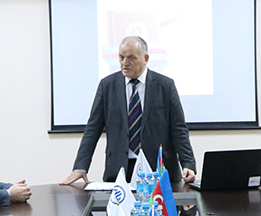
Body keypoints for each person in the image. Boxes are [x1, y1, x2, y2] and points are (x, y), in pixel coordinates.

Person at [61, 35, 196, 185]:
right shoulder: (107, 86)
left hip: (158, 169)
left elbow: (178, 128)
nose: (125, 63)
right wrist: (81, 166)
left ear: (145, 58)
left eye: (131, 58)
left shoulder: (165, 86)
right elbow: (93, 129)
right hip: (119, 169)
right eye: (121, 57)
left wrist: (188, 163)